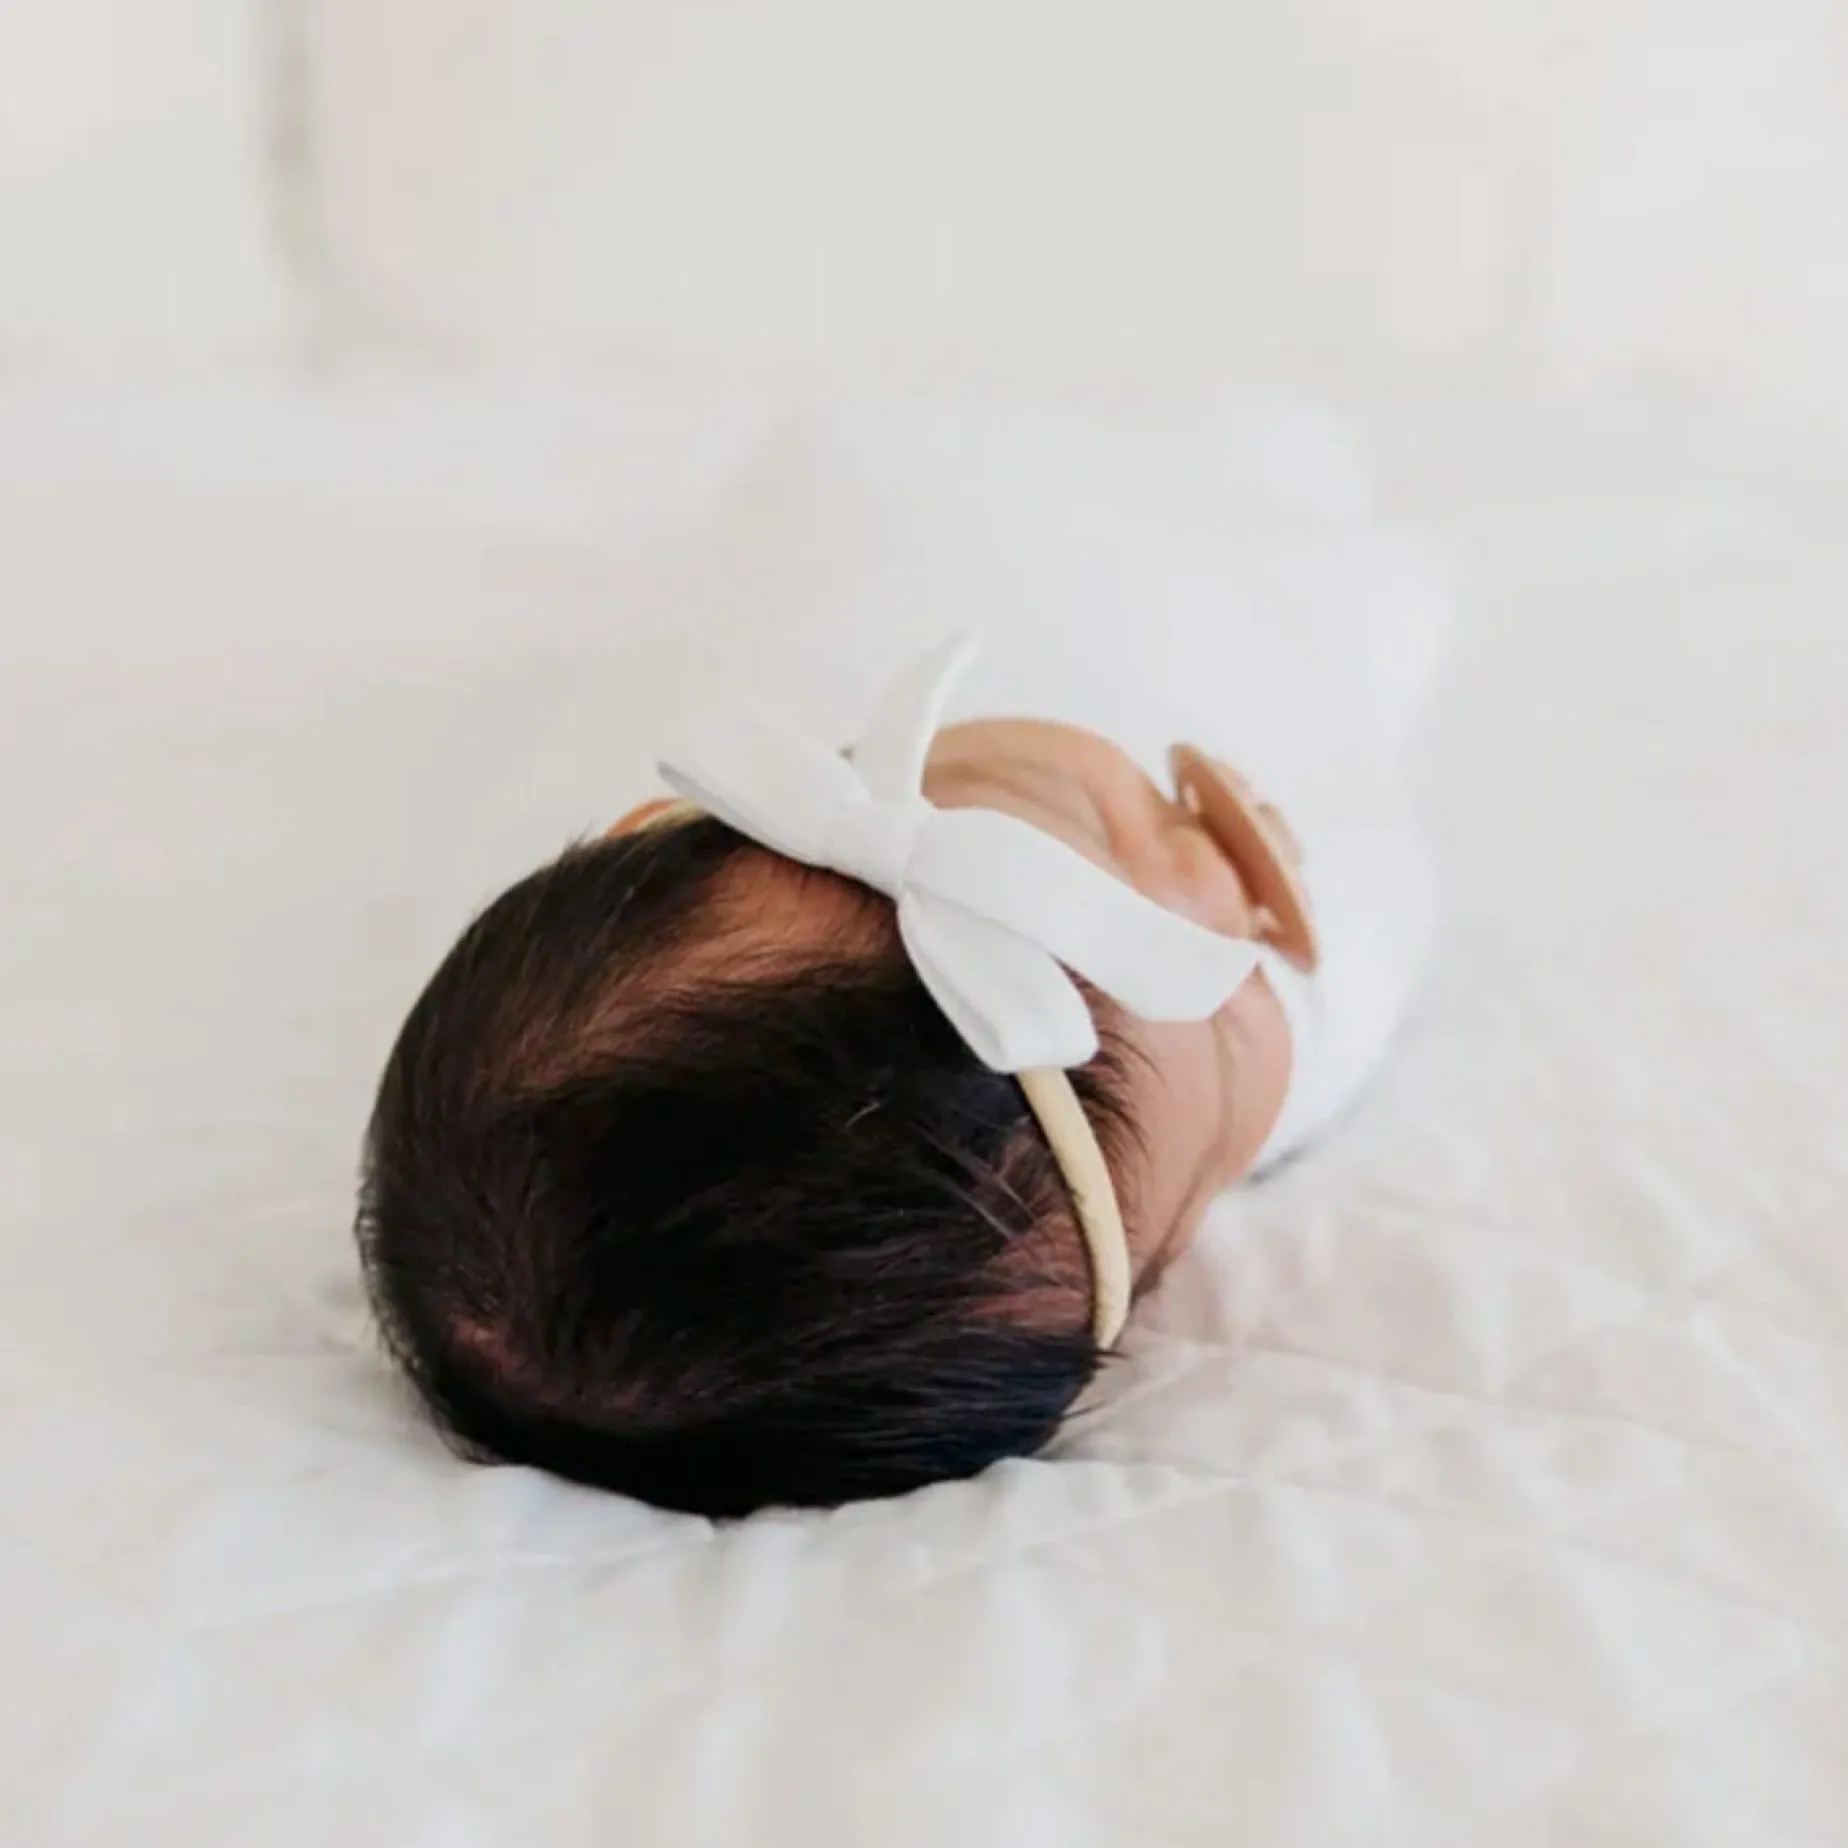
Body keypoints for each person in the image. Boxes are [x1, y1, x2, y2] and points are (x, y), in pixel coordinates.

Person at [357, 412, 1444, 1517]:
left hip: (885, 502)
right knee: (1342, 547)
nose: (1204, 887)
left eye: (1040, 813)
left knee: (843, 473)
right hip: (1238, 582)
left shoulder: (732, 727)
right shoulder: (1338, 979)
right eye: (1222, 1029)